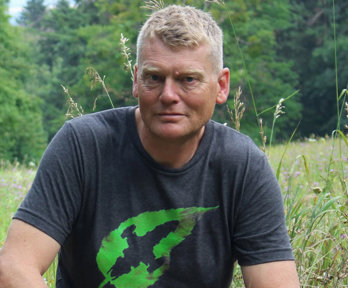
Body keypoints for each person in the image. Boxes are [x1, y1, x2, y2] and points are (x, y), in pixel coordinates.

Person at [0, 4, 300, 288]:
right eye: (154, 78)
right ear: (135, 80)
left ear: (221, 86)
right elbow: (14, 268)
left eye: (188, 80)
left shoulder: (243, 166)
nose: (169, 94)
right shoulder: (82, 146)